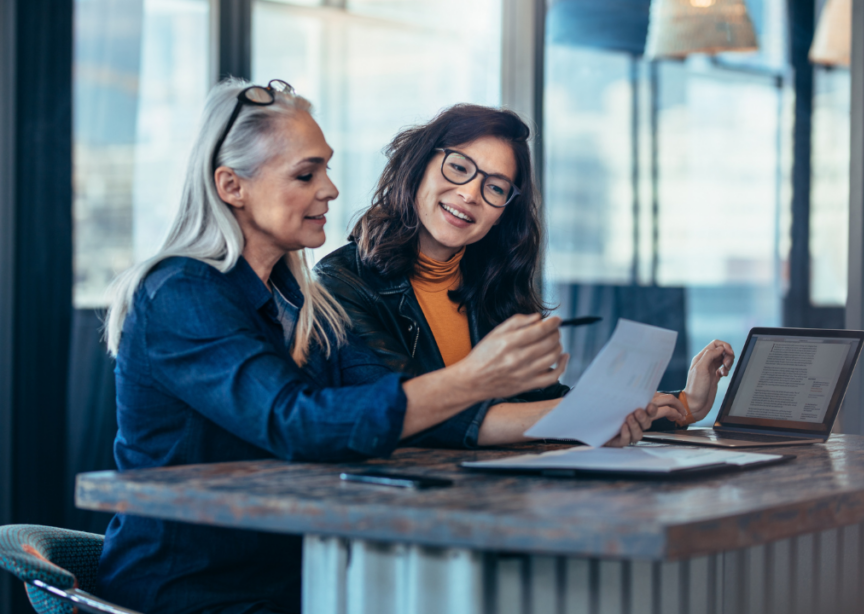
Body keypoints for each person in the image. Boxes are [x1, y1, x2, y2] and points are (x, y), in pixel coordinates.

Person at [97, 81, 658, 614]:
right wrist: (476, 377)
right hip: (194, 592)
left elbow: (392, 402)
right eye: (305, 174)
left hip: (299, 577)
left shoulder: (299, 298)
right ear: (231, 186)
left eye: (327, 168)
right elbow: (297, 423)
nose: (330, 190)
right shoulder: (181, 292)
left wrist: (600, 412)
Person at [315, 104, 735, 443]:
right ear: (419, 166)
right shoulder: (341, 283)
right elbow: (411, 414)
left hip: (496, 498)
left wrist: (684, 404)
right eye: (459, 167)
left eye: (495, 188)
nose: (470, 194)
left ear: (503, 214)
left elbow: (541, 403)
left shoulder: (491, 285)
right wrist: (588, 415)